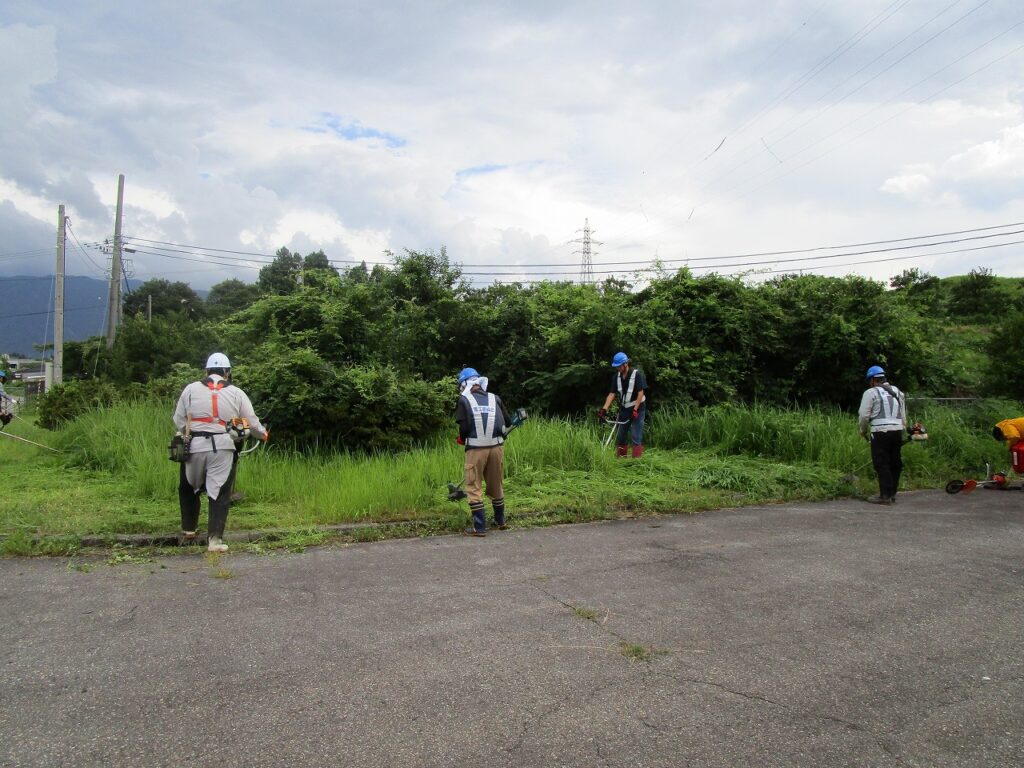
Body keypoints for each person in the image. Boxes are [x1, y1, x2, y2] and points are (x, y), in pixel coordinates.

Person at [172, 353, 267, 552]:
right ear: (227, 372)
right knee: (220, 492)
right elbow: (251, 421)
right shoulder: (236, 392)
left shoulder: (190, 389)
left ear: (206, 371)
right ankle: (214, 541)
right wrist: (262, 435)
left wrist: (186, 433)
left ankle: (189, 530)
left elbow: (179, 419)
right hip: (223, 447)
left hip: (195, 444)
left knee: (188, 487)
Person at [455, 367, 511, 537]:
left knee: (473, 485)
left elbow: (464, 428)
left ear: (464, 384)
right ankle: (500, 521)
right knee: (496, 484)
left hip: (476, 450)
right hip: (496, 448)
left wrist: (462, 438)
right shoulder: (495, 398)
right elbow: (507, 423)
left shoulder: (464, 400)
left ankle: (479, 527)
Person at [857, 365, 907, 505]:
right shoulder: (897, 391)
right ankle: (892, 494)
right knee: (895, 462)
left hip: (880, 432)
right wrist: (902, 427)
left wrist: (863, 429)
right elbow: (903, 415)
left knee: (882, 463)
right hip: (897, 431)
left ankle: (884, 496)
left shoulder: (870, 393)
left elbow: (864, 415)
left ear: (873, 380)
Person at [598, 352, 647, 458]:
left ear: (625, 364)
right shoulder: (616, 377)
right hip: (624, 409)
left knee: (636, 436)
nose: (617, 368)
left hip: (638, 409)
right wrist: (604, 409)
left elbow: (640, 393)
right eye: (616, 366)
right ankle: (621, 460)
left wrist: (635, 409)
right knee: (620, 435)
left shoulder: (637, 375)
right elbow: (612, 394)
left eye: (618, 366)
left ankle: (636, 462)